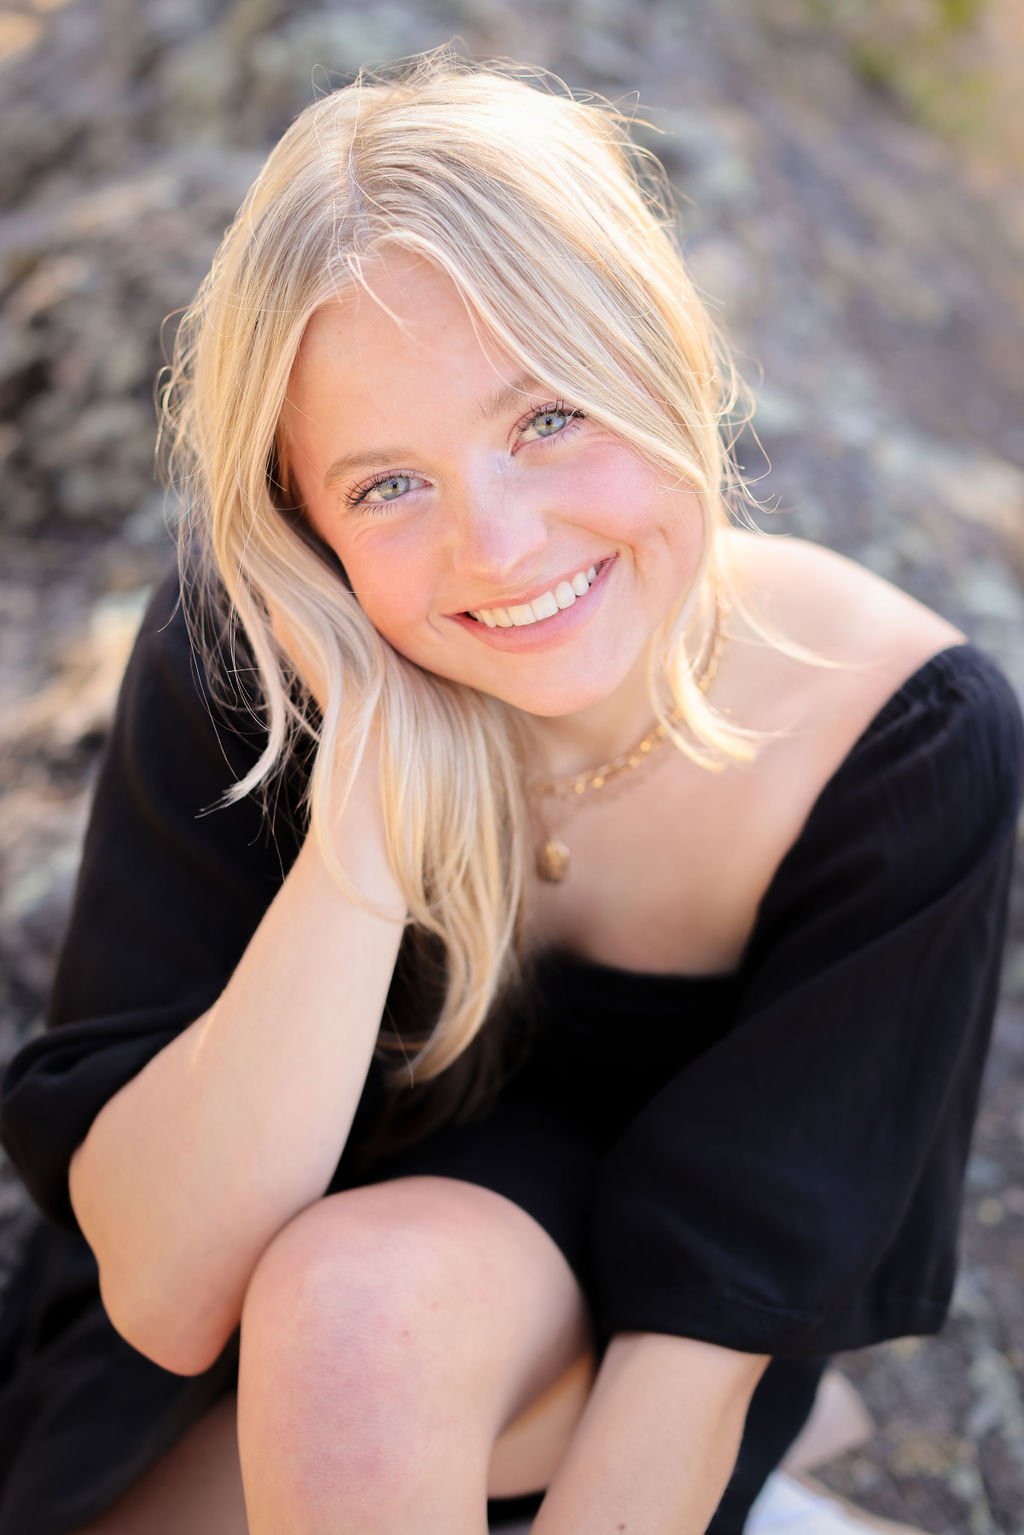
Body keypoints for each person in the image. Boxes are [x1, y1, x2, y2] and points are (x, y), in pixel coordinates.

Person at [1, 46, 1021, 1535]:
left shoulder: (898, 739)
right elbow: (162, 1292)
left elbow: (707, 1344)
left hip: (592, 1363)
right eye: (385, 486)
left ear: (663, 361)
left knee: (359, 1319)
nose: (497, 547)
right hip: (214, 1362)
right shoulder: (251, 656)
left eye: (548, 418)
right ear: (303, 520)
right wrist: (365, 800)